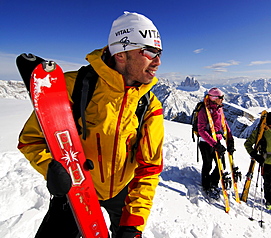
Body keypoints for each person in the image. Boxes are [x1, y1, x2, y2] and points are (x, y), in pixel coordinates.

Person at [18, 12, 164, 238]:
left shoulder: (149, 105)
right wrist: (51, 169)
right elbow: (31, 141)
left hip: (123, 194)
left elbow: (149, 168)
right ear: (121, 54)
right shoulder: (71, 87)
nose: (158, 61)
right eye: (150, 51)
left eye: (159, 53)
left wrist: (133, 224)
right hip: (75, 190)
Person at [197, 88, 235, 199]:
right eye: (221, 97)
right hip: (205, 142)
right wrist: (215, 144)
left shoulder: (219, 109)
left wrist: (230, 139)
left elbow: (225, 124)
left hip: (216, 142)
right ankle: (206, 185)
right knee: (208, 164)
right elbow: (201, 130)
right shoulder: (204, 111)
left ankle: (213, 183)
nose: (223, 99)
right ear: (214, 98)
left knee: (221, 165)